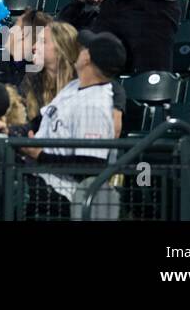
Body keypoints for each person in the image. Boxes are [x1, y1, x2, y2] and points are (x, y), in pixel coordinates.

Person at [20, 29, 122, 218]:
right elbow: (37, 122)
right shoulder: (74, 87)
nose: (79, 51)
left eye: (83, 49)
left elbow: (92, 168)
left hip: (61, 193)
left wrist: (40, 155)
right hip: (38, 177)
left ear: (87, 59)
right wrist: (5, 130)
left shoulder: (95, 105)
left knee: (0, 187)